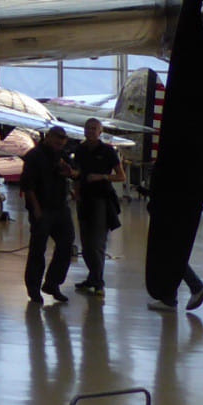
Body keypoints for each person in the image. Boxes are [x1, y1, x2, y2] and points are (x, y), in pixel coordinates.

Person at [21, 125, 78, 305]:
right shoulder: (34, 156)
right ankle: (34, 289)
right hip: (42, 208)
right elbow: (28, 186)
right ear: (48, 137)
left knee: (66, 244)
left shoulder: (62, 155)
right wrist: (36, 210)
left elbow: (73, 173)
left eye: (62, 139)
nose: (59, 142)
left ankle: (52, 283)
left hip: (60, 207)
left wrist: (70, 172)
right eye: (56, 138)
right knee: (38, 249)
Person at [70, 118, 126, 295]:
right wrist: (76, 192)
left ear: (100, 132)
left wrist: (102, 177)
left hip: (101, 200)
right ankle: (92, 278)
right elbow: (77, 174)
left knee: (97, 243)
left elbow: (121, 176)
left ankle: (98, 282)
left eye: (94, 129)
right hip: (84, 199)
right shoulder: (79, 150)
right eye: (88, 128)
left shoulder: (108, 151)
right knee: (86, 244)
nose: (91, 131)